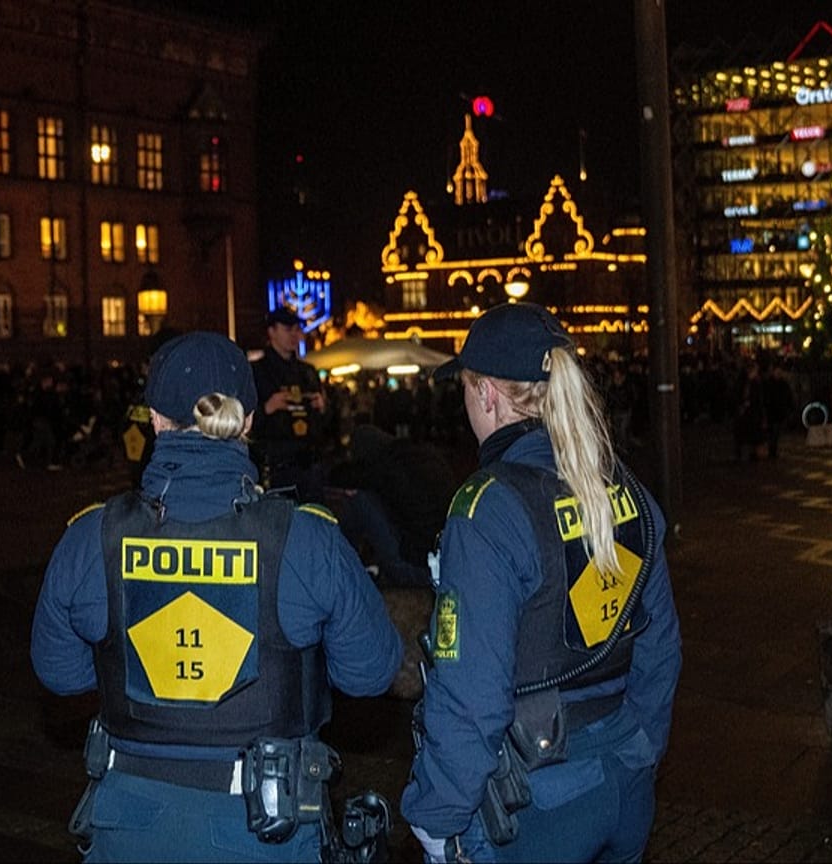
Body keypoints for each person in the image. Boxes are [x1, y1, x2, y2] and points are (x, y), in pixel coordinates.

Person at [30, 331, 402, 863]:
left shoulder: (93, 536)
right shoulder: (304, 537)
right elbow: (371, 672)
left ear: (155, 420)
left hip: (128, 826)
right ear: (248, 421)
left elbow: (60, 673)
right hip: (262, 831)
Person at [402, 303, 682, 863]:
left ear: (487, 395)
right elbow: (660, 645)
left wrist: (438, 816)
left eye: (464, 388)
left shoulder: (488, 510)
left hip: (536, 802)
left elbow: (472, 693)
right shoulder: (623, 489)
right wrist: (639, 750)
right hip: (622, 772)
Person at [327, 423, 460, 587]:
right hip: (445, 562)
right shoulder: (424, 454)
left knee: (359, 497)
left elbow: (338, 476)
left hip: (415, 568)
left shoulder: (386, 466)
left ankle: (348, 567)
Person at [250, 308, 326, 499]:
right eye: (287, 328)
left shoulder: (307, 372)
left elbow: (328, 423)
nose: (294, 334)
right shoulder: (257, 372)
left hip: (309, 462)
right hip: (275, 463)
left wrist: (322, 408)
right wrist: (268, 408)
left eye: (297, 329)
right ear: (272, 331)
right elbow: (244, 421)